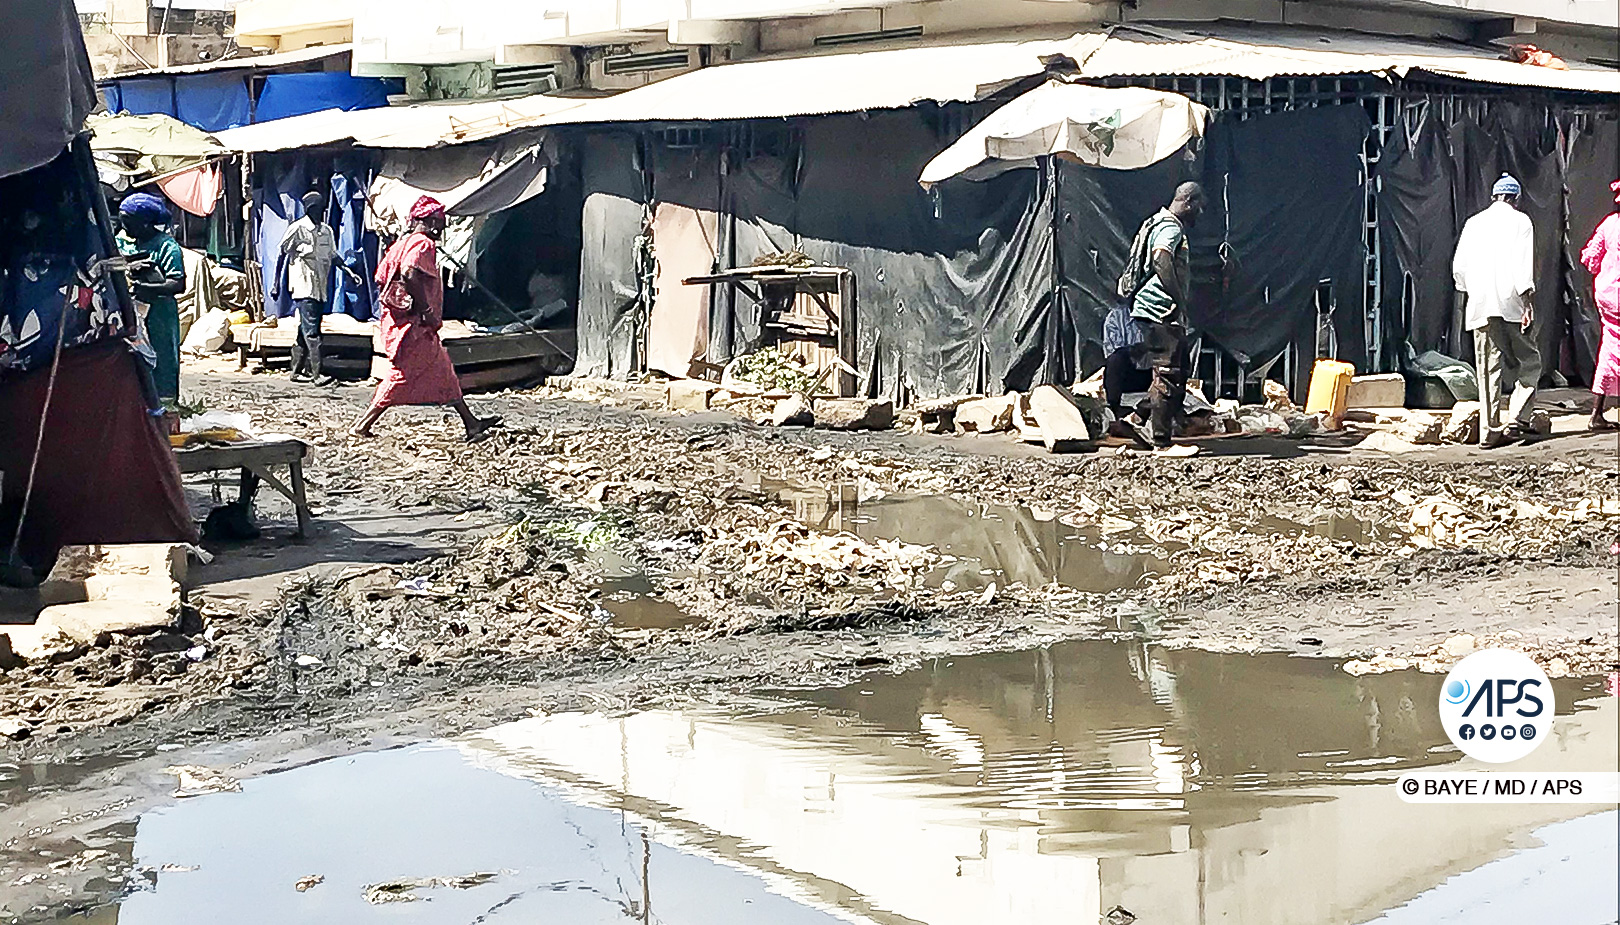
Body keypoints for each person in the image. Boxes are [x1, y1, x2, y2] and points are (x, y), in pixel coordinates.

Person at [349, 196, 500, 441]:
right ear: (430, 222)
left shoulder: (401, 243)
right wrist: (425, 309)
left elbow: (381, 277)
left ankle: (471, 424)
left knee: (444, 371)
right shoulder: (422, 244)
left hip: (400, 321)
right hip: (413, 325)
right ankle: (362, 424)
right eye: (440, 222)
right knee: (401, 375)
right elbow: (409, 271)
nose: (442, 228)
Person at [1452, 174, 1545, 447]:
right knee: (1529, 361)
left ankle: (1489, 432)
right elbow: (1522, 264)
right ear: (1516, 198)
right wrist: (1527, 300)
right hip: (1511, 304)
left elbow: (1459, 268)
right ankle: (1517, 417)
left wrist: (1472, 291)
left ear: (1494, 197)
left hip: (1480, 305)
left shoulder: (1473, 223)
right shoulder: (1521, 222)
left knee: (1487, 369)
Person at [1120, 181, 1205, 449]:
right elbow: (1160, 258)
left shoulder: (1156, 221)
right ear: (1188, 201)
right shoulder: (1170, 227)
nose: (1199, 213)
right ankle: (1161, 442)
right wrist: (1178, 299)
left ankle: (1137, 418)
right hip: (1161, 311)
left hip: (1156, 311)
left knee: (1176, 373)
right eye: (1198, 207)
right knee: (1168, 374)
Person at [274, 190, 357, 385]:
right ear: (310, 209)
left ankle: (295, 371)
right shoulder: (298, 229)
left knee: (305, 329)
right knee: (312, 332)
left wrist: (348, 271)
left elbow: (333, 256)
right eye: (317, 209)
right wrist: (276, 283)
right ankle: (317, 374)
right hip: (304, 287)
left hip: (320, 287)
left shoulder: (326, 231)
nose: (321, 212)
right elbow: (281, 254)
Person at [116, 192, 185, 401]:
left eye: (129, 223)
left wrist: (146, 288)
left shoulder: (167, 246)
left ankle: (165, 408)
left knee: (162, 359)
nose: (125, 228)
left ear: (146, 224)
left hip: (159, 314)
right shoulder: (122, 240)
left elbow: (178, 283)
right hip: (129, 312)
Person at [1582, 180, 1620, 431]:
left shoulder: (1609, 224)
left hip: (1608, 295)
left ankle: (1597, 414)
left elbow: (1589, 257)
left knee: (1610, 346)